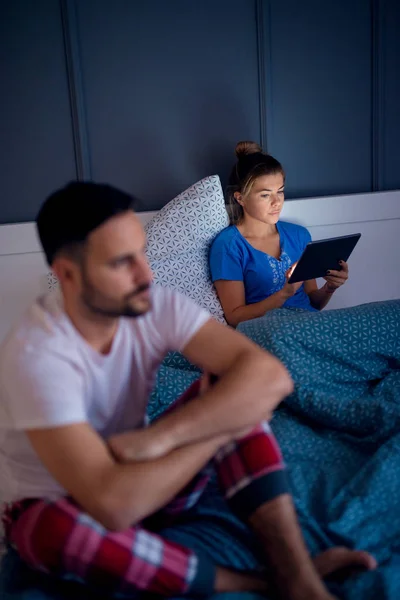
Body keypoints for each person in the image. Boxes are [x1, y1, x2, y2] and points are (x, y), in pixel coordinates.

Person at [0, 182, 375, 600]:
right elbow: (113, 505)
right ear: (68, 275)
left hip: (148, 464)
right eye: (123, 262)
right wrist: (219, 427)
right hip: (72, 503)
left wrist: (162, 437)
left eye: (142, 253)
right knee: (51, 530)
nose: (147, 274)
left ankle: (300, 575)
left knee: (233, 386)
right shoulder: (36, 356)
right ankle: (263, 584)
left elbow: (271, 378)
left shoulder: (149, 301)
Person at [209, 142, 349, 327]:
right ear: (240, 198)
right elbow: (235, 317)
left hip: (310, 326)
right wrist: (284, 293)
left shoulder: (299, 236)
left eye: (280, 192)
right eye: (265, 195)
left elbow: (314, 303)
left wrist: (330, 287)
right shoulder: (228, 245)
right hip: (268, 331)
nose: (277, 202)